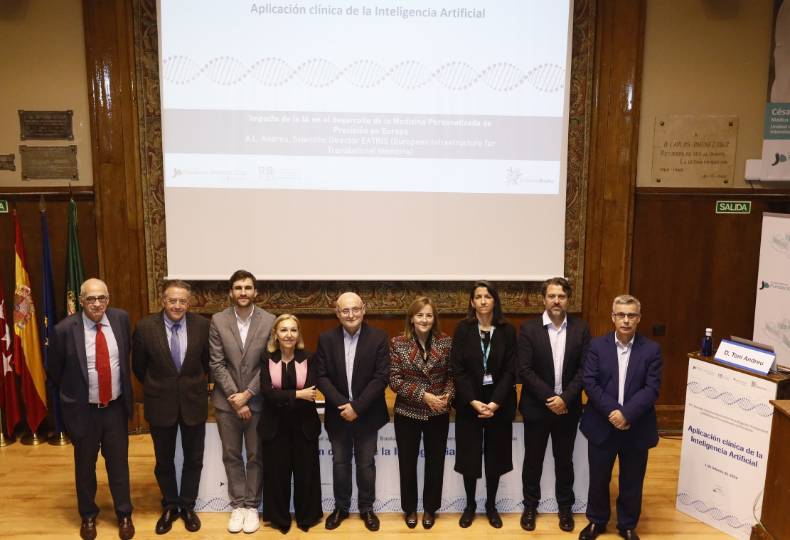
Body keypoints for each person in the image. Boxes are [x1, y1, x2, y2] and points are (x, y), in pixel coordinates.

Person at [47, 278, 135, 540]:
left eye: (102, 298)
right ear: (82, 301)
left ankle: (124, 513)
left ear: (108, 299)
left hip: (115, 408)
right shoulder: (64, 330)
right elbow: (54, 372)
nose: (97, 304)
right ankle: (87, 516)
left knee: (119, 465)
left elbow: (126, 356)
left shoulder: (120, 319)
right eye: (91, 299)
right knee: (85, 468)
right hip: (84, 412)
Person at [578, 295, 662, 540]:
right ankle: (597, 521)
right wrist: (614, 412)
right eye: (621, 315)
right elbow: (590, 383)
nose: (626, 320)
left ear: (639, 318)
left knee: (632, 480)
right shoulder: (596, 346)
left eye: (631, 315)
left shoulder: (652, 350)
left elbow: (652, 388)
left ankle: (626, 524)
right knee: (599, 478)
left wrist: (626, 414)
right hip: (602, 423)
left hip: (636, 426)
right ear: (613, 317)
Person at [132, 280, 210, 534]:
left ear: (189, 302)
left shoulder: (202, 325)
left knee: (194, 458)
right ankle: (170, 505)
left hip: (193, 402)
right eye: (172, 300)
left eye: (183, 301)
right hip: (160, 403)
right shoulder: (145, 327)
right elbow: (139, 367)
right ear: (163, 301)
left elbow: (207, 363)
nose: (177, 306)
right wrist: (160, 386)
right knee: (163, 460)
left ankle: (187, 505)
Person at [518, 277, 590, 532]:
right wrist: (552, 398)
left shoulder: (581, 329)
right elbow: (524, 370)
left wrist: (565, 398)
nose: (556, 301)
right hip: (537, 408)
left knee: (564, 460)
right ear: (544, 299)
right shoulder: (528, 329)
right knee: (533, 460)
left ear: (568, 299)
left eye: (561, 296)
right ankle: (530, 506)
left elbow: (584, 370)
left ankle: (565, 508)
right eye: (551, 296)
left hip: (568, 408)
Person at [316, 292, 390, 532]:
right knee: (340, 463)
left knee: (366, 464)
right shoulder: (326, 339)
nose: (351, 315)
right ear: (337, 313)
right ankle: (341, 508)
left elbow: (381, 377)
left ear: (364, 309)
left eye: (355, 309)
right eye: (345, 310)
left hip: (367, 414)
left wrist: (357, 407)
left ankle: (366, 508)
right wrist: (343, 405)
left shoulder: (378, 337)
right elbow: (322, 376)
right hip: (338, 415)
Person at [209, 270, 276, 534]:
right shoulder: (217, 320)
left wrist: (248, 394)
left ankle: (252, 506)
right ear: (231, 292)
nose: (243, 292)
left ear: (255, 292)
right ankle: (237, 504)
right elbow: (216, 362)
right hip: (227, 403)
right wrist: (236, 398)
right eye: (238, 288)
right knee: (232, 454)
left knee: (256, 455)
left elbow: (269, 362)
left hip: (258, 400)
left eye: (248, 287)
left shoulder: (269, 320)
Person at [451, 280, 517, 529]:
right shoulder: (463, 329)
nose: (482, 301)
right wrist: (474, 401)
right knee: (469, 457)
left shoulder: (507, 330)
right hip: (471, 405)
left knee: (495, 457)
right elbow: (457, 370)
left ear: (494, 301)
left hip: (498, 406)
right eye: (477, 296)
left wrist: (495, 403)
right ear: (472, 302)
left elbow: (511, 370)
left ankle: (491, 505)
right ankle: (470, 505)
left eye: (487, 296)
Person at [389, 296, 454, 530]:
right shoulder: (398, 343)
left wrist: (446, 397)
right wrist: (424, 396)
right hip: (408, 413)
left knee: (435, 464)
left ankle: (429, 508)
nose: (424, 319)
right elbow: (395, 381)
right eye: (420, 315)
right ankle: (409, 509)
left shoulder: (446, 342)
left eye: (428, 315)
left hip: (438, 413)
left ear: (434, 318)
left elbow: (452, 376)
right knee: (407, 464)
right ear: (411, 318)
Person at [259, 314, 323, 534]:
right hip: (274, 426)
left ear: (299, 334)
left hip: (304, 425)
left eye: (293, 330)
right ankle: (280, 519)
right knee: (277, 474)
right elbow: (267, 393)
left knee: (307, 473)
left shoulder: (310, 358)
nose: (288, 335)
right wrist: (297, 394)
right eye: (284, 330)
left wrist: (285, 395)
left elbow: (312, 391)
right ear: (275, 334)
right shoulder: (266, 358)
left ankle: (307, 517)